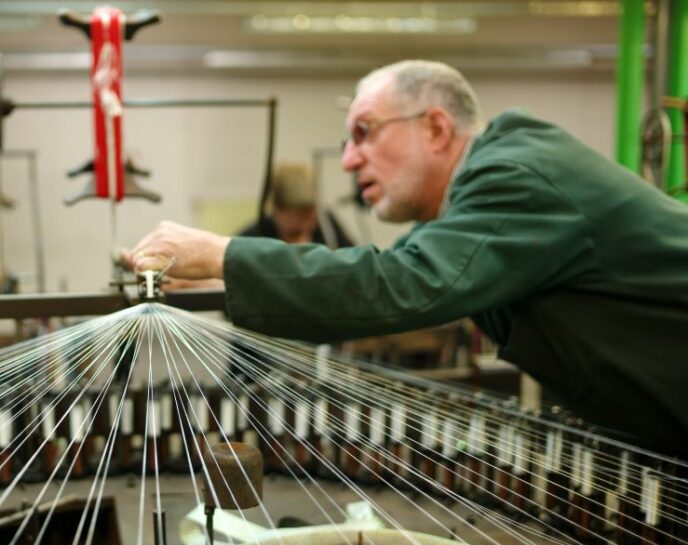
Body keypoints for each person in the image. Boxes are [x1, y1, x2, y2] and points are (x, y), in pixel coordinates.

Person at [125, 60, 688, 452]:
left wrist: (225, 254)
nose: (347, 160)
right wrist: (223, 285)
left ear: (437, 128)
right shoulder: (488, 191)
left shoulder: (513, 172)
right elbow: (389, 276)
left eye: (364, 133)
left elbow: (402, 282)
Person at [239, 162, 354, 248]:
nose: (306, 224)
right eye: (300, 216)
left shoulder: (327, 227)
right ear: (277, 210)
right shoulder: (251, 240)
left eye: (310, 214)